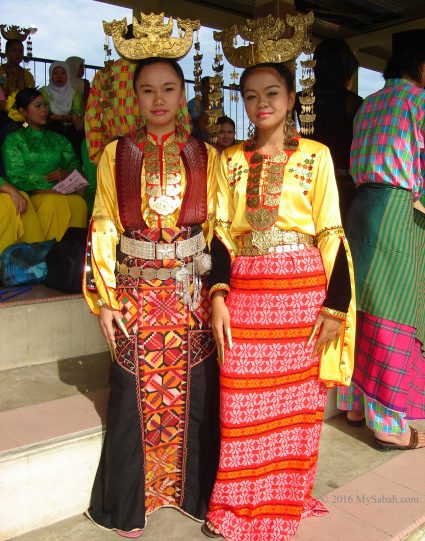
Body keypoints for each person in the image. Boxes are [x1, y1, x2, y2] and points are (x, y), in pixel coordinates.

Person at [202, 61, 355, 540]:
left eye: (272, 93)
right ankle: (233, 507)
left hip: (302, 293)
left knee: (295, 408)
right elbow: (220, 232)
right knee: (240, 404)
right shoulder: (228, 160)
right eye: (250, 95)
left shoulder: (316, 155)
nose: (261, 103)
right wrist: (218, 295)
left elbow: (331, 229)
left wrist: (335, 307)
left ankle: (284, 499)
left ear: (292, 98)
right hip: (246, 291)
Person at [82, 56, 220, 538]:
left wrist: (219, 291)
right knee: (130, 392)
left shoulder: (206, 154)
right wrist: (104, 297)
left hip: (190, 293)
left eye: (168, 89)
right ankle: (127, 504)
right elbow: (102, 224)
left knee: (196, 391)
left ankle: (191, 494)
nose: (158, 99)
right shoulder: (115, 154)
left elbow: (217, 228)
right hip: (136, 291)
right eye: (147, 90)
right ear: (134, 97)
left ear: (183, 95)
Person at [338, 29, 425, 450]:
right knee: (396, 313)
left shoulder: (369, 104)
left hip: (361, 210)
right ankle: (389, 424)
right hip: (398, 213)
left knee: (367, 308)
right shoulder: (419, 103)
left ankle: (358, 406)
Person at [2, 88, 87, 242]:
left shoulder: (58, 140)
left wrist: (65, 175)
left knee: (79, 204)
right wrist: (42, 190)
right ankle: (48, 257)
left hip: (60, 193)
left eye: (45, 105)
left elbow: (76, 168)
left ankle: (72, 258)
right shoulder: (14, 140)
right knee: (52, 202)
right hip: (33, 195)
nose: (44, 110)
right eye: (38, 106)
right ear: (23, 112)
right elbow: (15, 177)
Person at [295, 38, 363, 224]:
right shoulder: (354, 103)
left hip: (305, 182)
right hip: (343, 187)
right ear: (347, 71)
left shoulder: (299, 99)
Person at [40, 61, 85, 157]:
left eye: (63, 73)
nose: (59, 77)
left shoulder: (74, 94)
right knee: (54, 127)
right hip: (50, 127)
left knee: (77, 133)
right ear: (50, 75)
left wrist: (68, 119)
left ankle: (74, 168)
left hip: (70, 128)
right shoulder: (43, 92)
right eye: (55, 73)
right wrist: (66, 118)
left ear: (68, 75)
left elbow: (78, 115)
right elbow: (43, 114)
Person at [187, 75, 210, 140]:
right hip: (196, 138)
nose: (210, 91)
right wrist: (207, 106)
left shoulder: (218, 105)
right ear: (201, 88)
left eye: (212, 88)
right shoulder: (192, 104)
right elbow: (201, 126)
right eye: (207, 88)